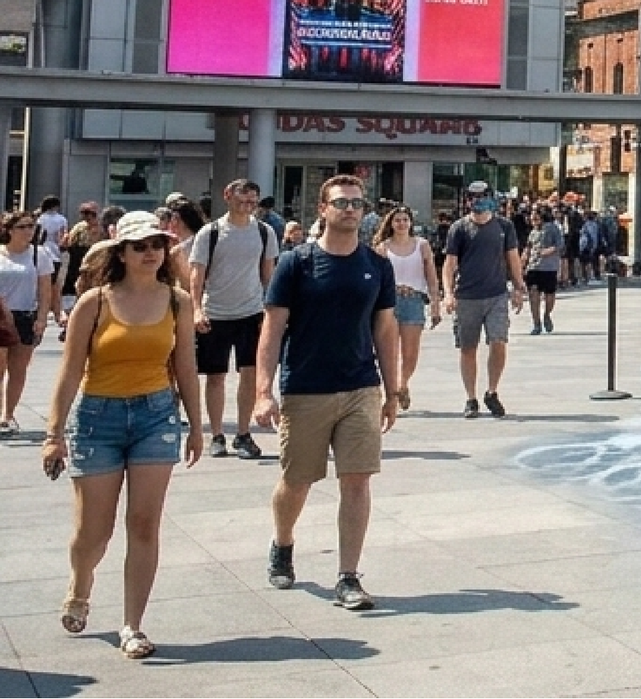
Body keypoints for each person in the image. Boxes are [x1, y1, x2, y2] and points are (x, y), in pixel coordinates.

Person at [41, 218, 206, 658]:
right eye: (139, 247)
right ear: (121, 253)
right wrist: (53, 434)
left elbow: (186, 367)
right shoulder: (95, 302)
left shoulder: (177, 301)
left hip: (155, 416)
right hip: (99, 417)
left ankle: (133, 625)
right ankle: (81, 584)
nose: (149, 253)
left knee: (144, 524)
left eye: (156, 245)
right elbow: (70, 370)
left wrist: (195, 424)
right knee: (93, 531)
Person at [255, 174, 399, 609]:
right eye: (342, 203)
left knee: (357, 481)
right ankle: (282, 544)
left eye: (358, 203)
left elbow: (385, 329)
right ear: (323, 209)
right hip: (306, 387)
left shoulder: (376, 264)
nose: (351, 209)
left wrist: (393, 391)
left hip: (360, 386)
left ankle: (348, 576)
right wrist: (264, 390)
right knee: (297, 480)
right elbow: (273, 326)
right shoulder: (296, 262)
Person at [188, 179, 280, 460]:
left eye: (253, 200)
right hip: (215, 312)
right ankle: (216, 434)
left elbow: (269, 274)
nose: (247, 205)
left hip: (251, 312)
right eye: (242, 198)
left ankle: (243, 433)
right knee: (215, 377)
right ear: (227, 195)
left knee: (250, 374)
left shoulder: (264, 232)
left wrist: (272, 311)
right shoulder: (210, 233)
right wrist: (196, 309)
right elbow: (196, 275)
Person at [442, 183, 525, 418]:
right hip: (467, 296)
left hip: (497, 294)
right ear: (467, 200)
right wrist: (448, 293)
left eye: (483, 197)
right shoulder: (459, 228)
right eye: (474, 197)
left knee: (498, 342)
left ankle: (492, 391)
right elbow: (450, 264)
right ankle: (471, 398)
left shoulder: (504, 226)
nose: (478, 201)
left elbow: (513, 258)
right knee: (468, 348)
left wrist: (519, 287)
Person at [372, 206, 441, 411]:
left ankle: (403, 384)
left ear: (410, 223)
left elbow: (431, 276)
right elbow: (376, 279)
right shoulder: (383, 248)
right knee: (389, 350)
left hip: (414, 300)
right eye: (397, 220)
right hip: (390, 303)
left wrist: (435, 303)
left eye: (405, 220)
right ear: (391, 224)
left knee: (410, 352)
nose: (401, 224)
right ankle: (391, 390)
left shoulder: (422, 245)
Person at [2, 211, 62, 432]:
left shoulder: (40, 254)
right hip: (1, 316)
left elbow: (46, 290)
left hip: (25, 315)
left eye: (31, 226)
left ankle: (8, 415)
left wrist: (42, 318)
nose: (29, 231)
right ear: (9, 230)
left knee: (18, 369)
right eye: (23, 227)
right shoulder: (0, 254)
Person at [523, 208, 563, 335]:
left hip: (549, 267)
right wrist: (522, 261)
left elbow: (560, 245)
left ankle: (547, 314)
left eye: (535, 217)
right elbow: (528, 247)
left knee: (549, 295)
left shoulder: (552, 229)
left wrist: (549, 251)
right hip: (533, 267)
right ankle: (536, 323)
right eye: (531, 217)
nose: (532, 220)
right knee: (533, 294)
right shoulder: (533, 232)